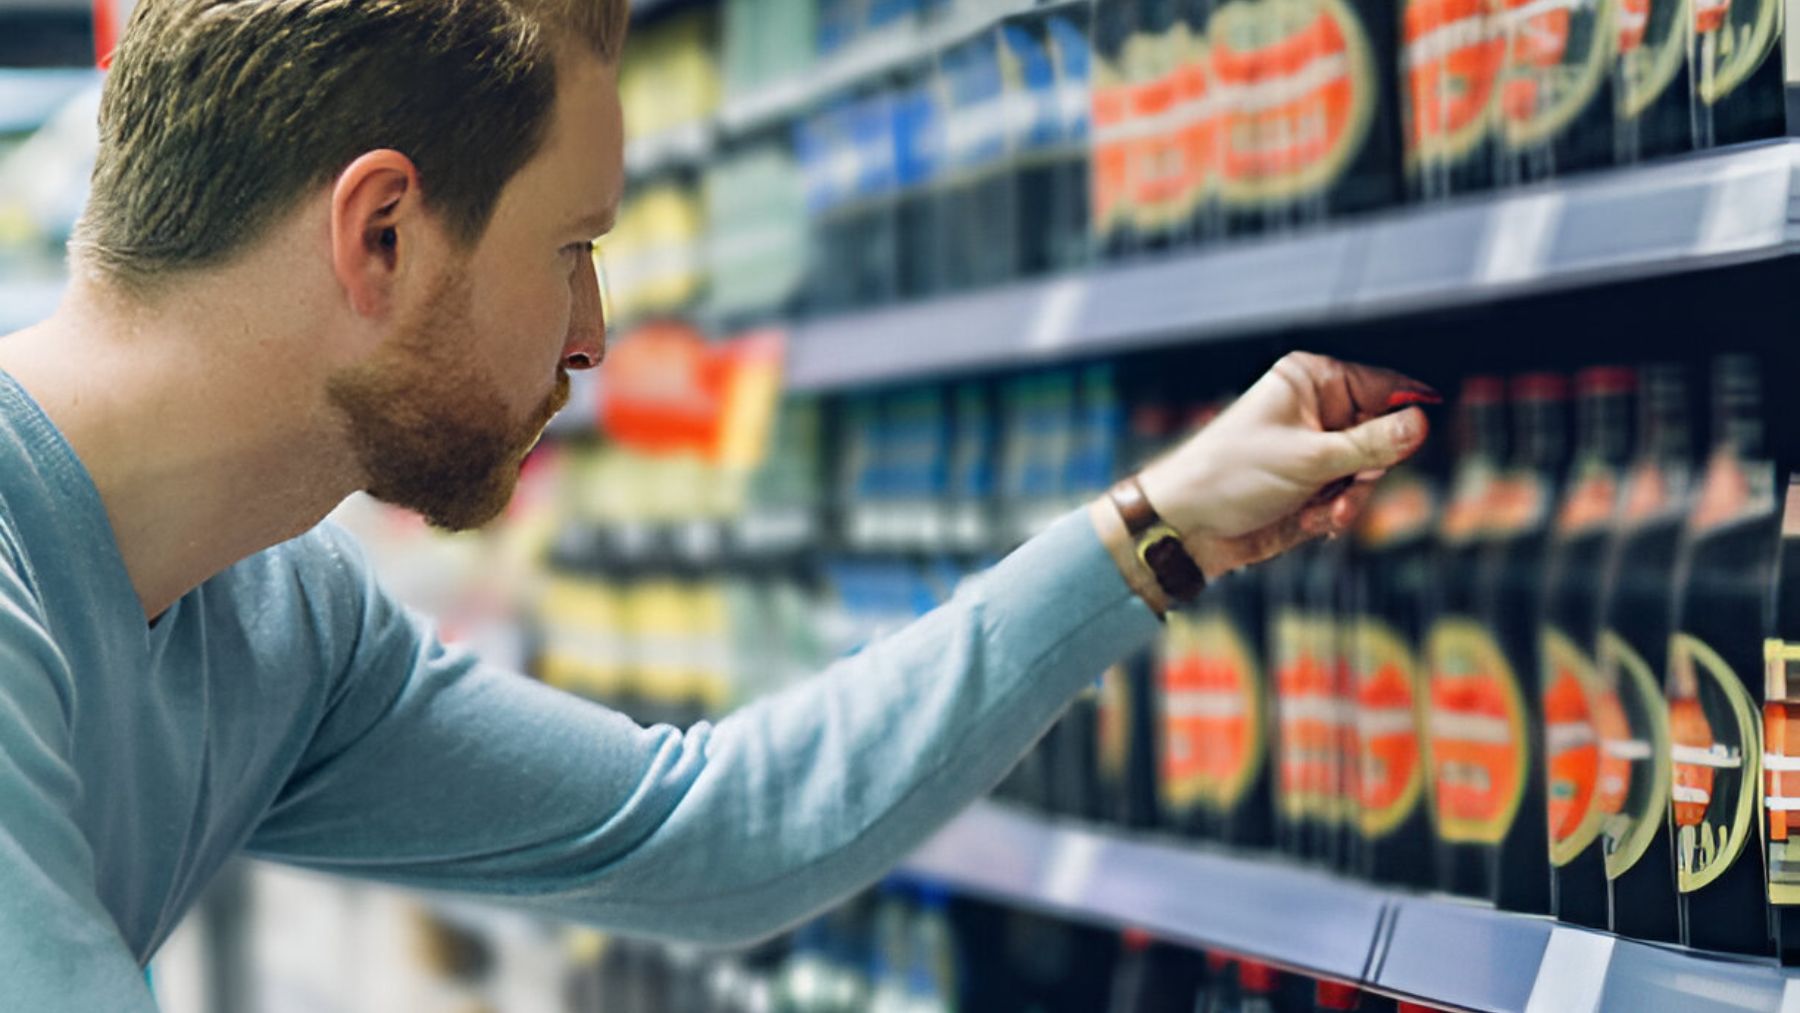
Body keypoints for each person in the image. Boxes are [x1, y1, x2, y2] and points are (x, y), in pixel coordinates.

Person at [0, 0, 1432, 1006]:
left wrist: (1151, 528)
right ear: (382, 234)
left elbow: (709, 834)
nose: (593, 329)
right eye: (570, 247)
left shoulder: (279, 620)